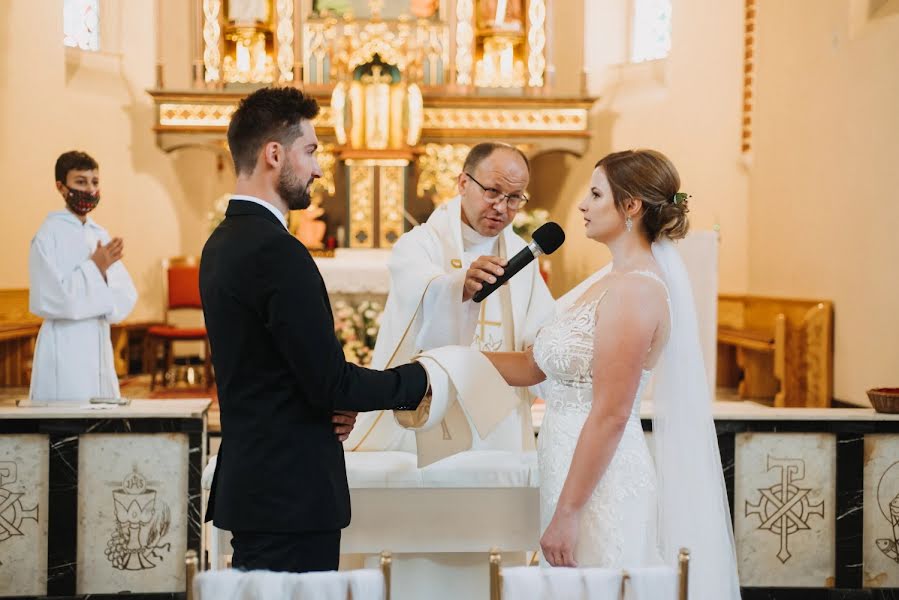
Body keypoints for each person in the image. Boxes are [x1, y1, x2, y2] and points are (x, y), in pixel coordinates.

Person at [485, 150, 740, 599]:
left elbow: (610, 413)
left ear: (631, 207)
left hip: (599, 486)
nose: (582, 205)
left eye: (596, 194)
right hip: (568, 468)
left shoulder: (637, 290)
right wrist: (449, 360)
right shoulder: (607, 281)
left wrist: (569, 512)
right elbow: (533, 366)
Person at [200, 86, 429, 574]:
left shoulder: (223, 241)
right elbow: (328, 381)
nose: (320, 169)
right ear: (274, 154)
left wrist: (331, 399)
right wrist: (422, 379)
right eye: (311, 151)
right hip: (289, 495)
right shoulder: (276, 251)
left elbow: (274, 370)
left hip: (259, 482)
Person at [344, 142, 555, 460]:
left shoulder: (521, 256)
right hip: (429, 410)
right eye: (493, 191)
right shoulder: (419, 244)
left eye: (514, 198)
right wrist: (460, 287)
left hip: (497, 421)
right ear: (463, 183)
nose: (501, 207)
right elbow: (420, 295)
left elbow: (541, 331)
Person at [28, 151, 137, 403]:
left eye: (94, 182)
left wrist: (106, 277)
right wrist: (95, 268)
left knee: (100, 427)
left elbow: (125, 296)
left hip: (97, 338)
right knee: (65, 425)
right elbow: (53, 298)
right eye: (80, 182)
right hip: (64, 343)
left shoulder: (99, 233)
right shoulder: (48, 235)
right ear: (60, 186)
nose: (89, 189)